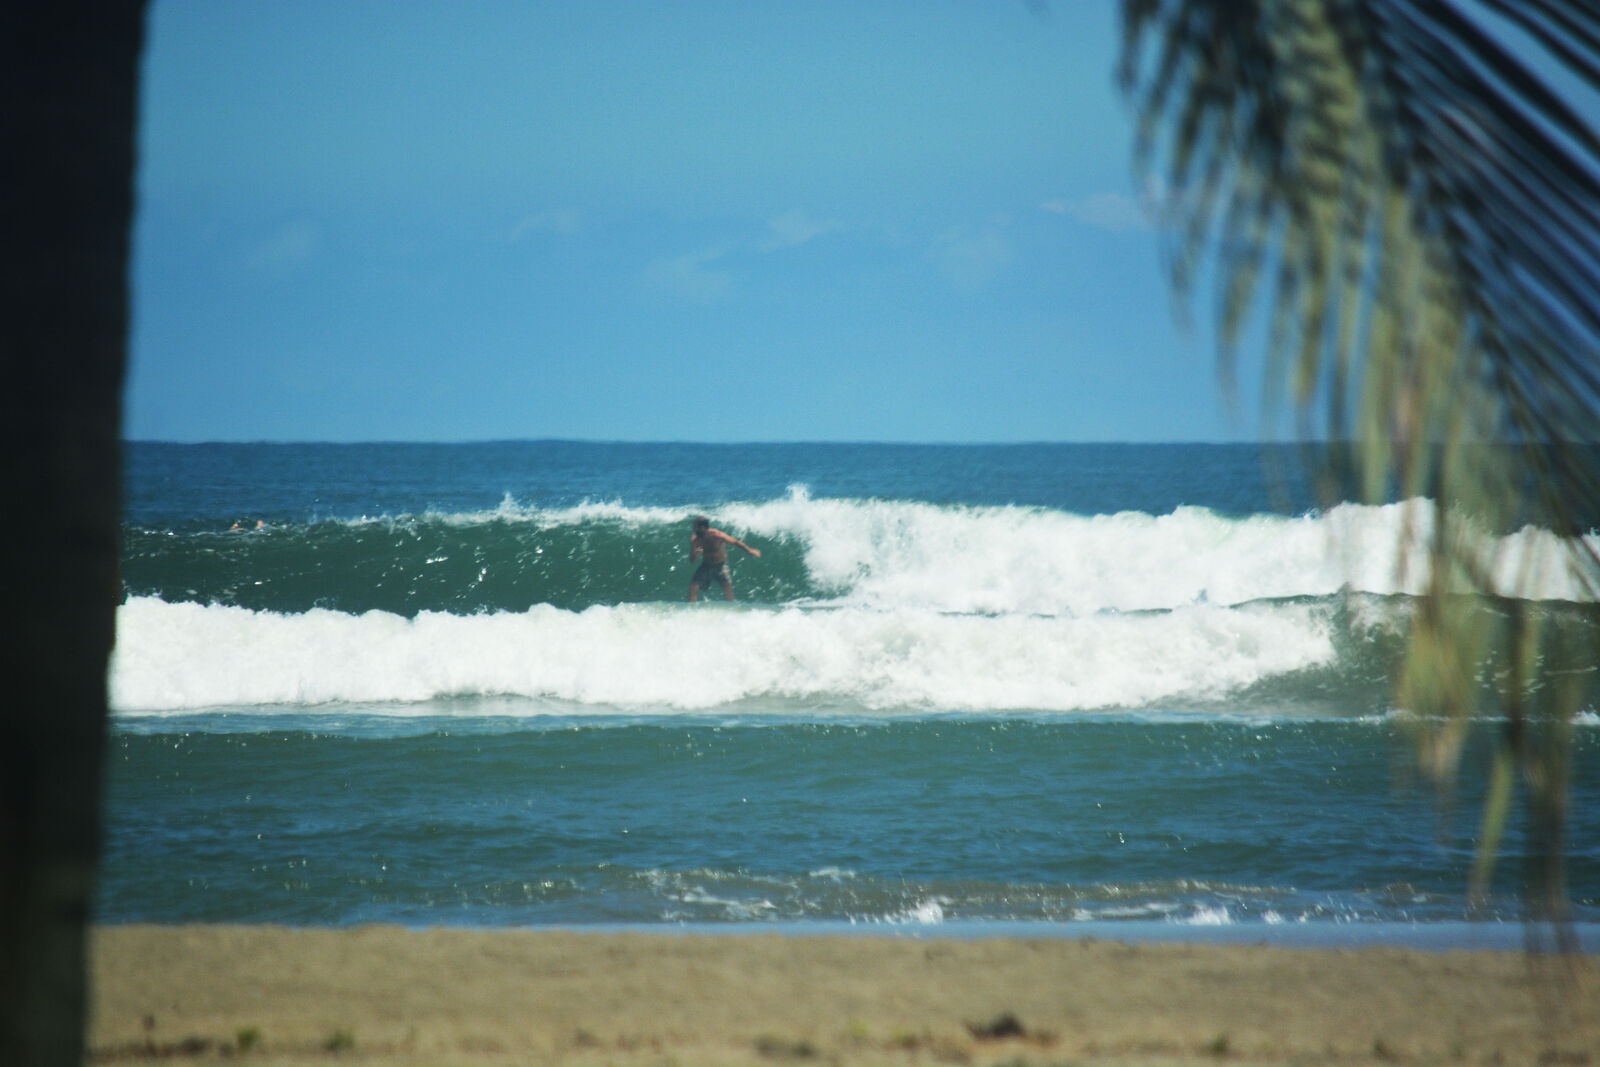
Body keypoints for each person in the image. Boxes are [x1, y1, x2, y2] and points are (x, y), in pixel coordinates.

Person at [687, 515, 760, 601]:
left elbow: (735, 542)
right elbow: (692, 561)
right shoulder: (695, 539)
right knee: (693, 587)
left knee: (727, 587)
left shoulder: (717, 535)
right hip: (706, 565)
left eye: (695, 527)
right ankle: (693, 609)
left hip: (720, 566)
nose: (693, 529)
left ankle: (732, 608)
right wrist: (696, 554)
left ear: (702, 527)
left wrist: (750, 550)